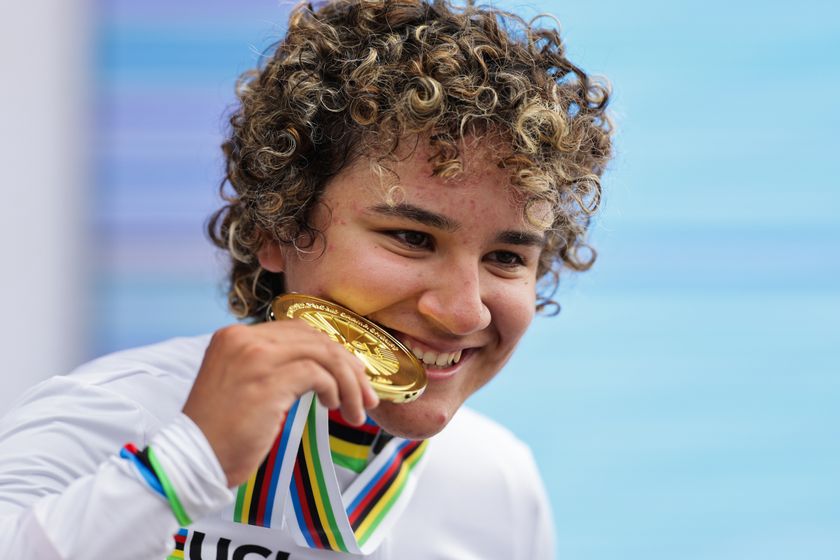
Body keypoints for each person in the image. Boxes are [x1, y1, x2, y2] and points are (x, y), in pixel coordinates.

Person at [0, 0, 612, 558]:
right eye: (411, 238)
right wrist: (186, 465)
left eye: (507, 257)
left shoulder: (498, 483)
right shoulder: (109, 417)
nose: (464, 313)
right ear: (278, 227)